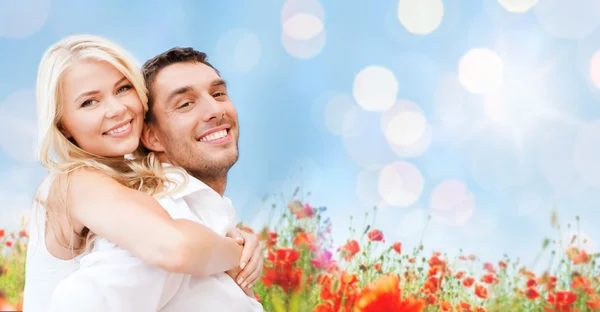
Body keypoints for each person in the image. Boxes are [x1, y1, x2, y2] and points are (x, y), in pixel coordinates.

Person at [23, 34, 263, 312]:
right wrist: (237, 253)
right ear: (62, 124)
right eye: (89, 102)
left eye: (123, 89)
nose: (116, 109)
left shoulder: (134, 185)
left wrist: (228, 234)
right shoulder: (74, 181)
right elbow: (174, 247)